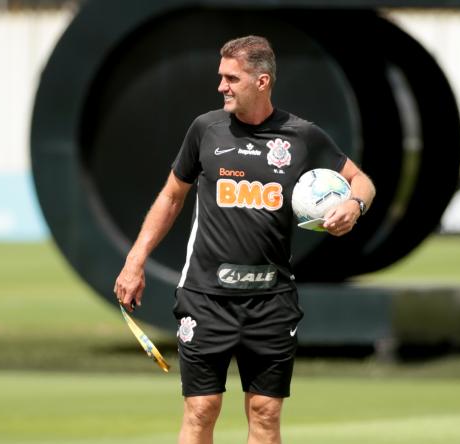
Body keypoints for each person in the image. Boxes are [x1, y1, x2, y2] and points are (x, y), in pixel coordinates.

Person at [113, 35, 375, 444]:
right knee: (201, 409)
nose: (221, 86)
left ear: (262, 81)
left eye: (231, 78)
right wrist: (135, 261)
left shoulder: (302, 136)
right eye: (221, 77)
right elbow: (171, 196)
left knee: (265, 413)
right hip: (206, 296)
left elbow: (362, 180)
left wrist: (354, 205)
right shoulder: (205, 130)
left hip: (271, 300)